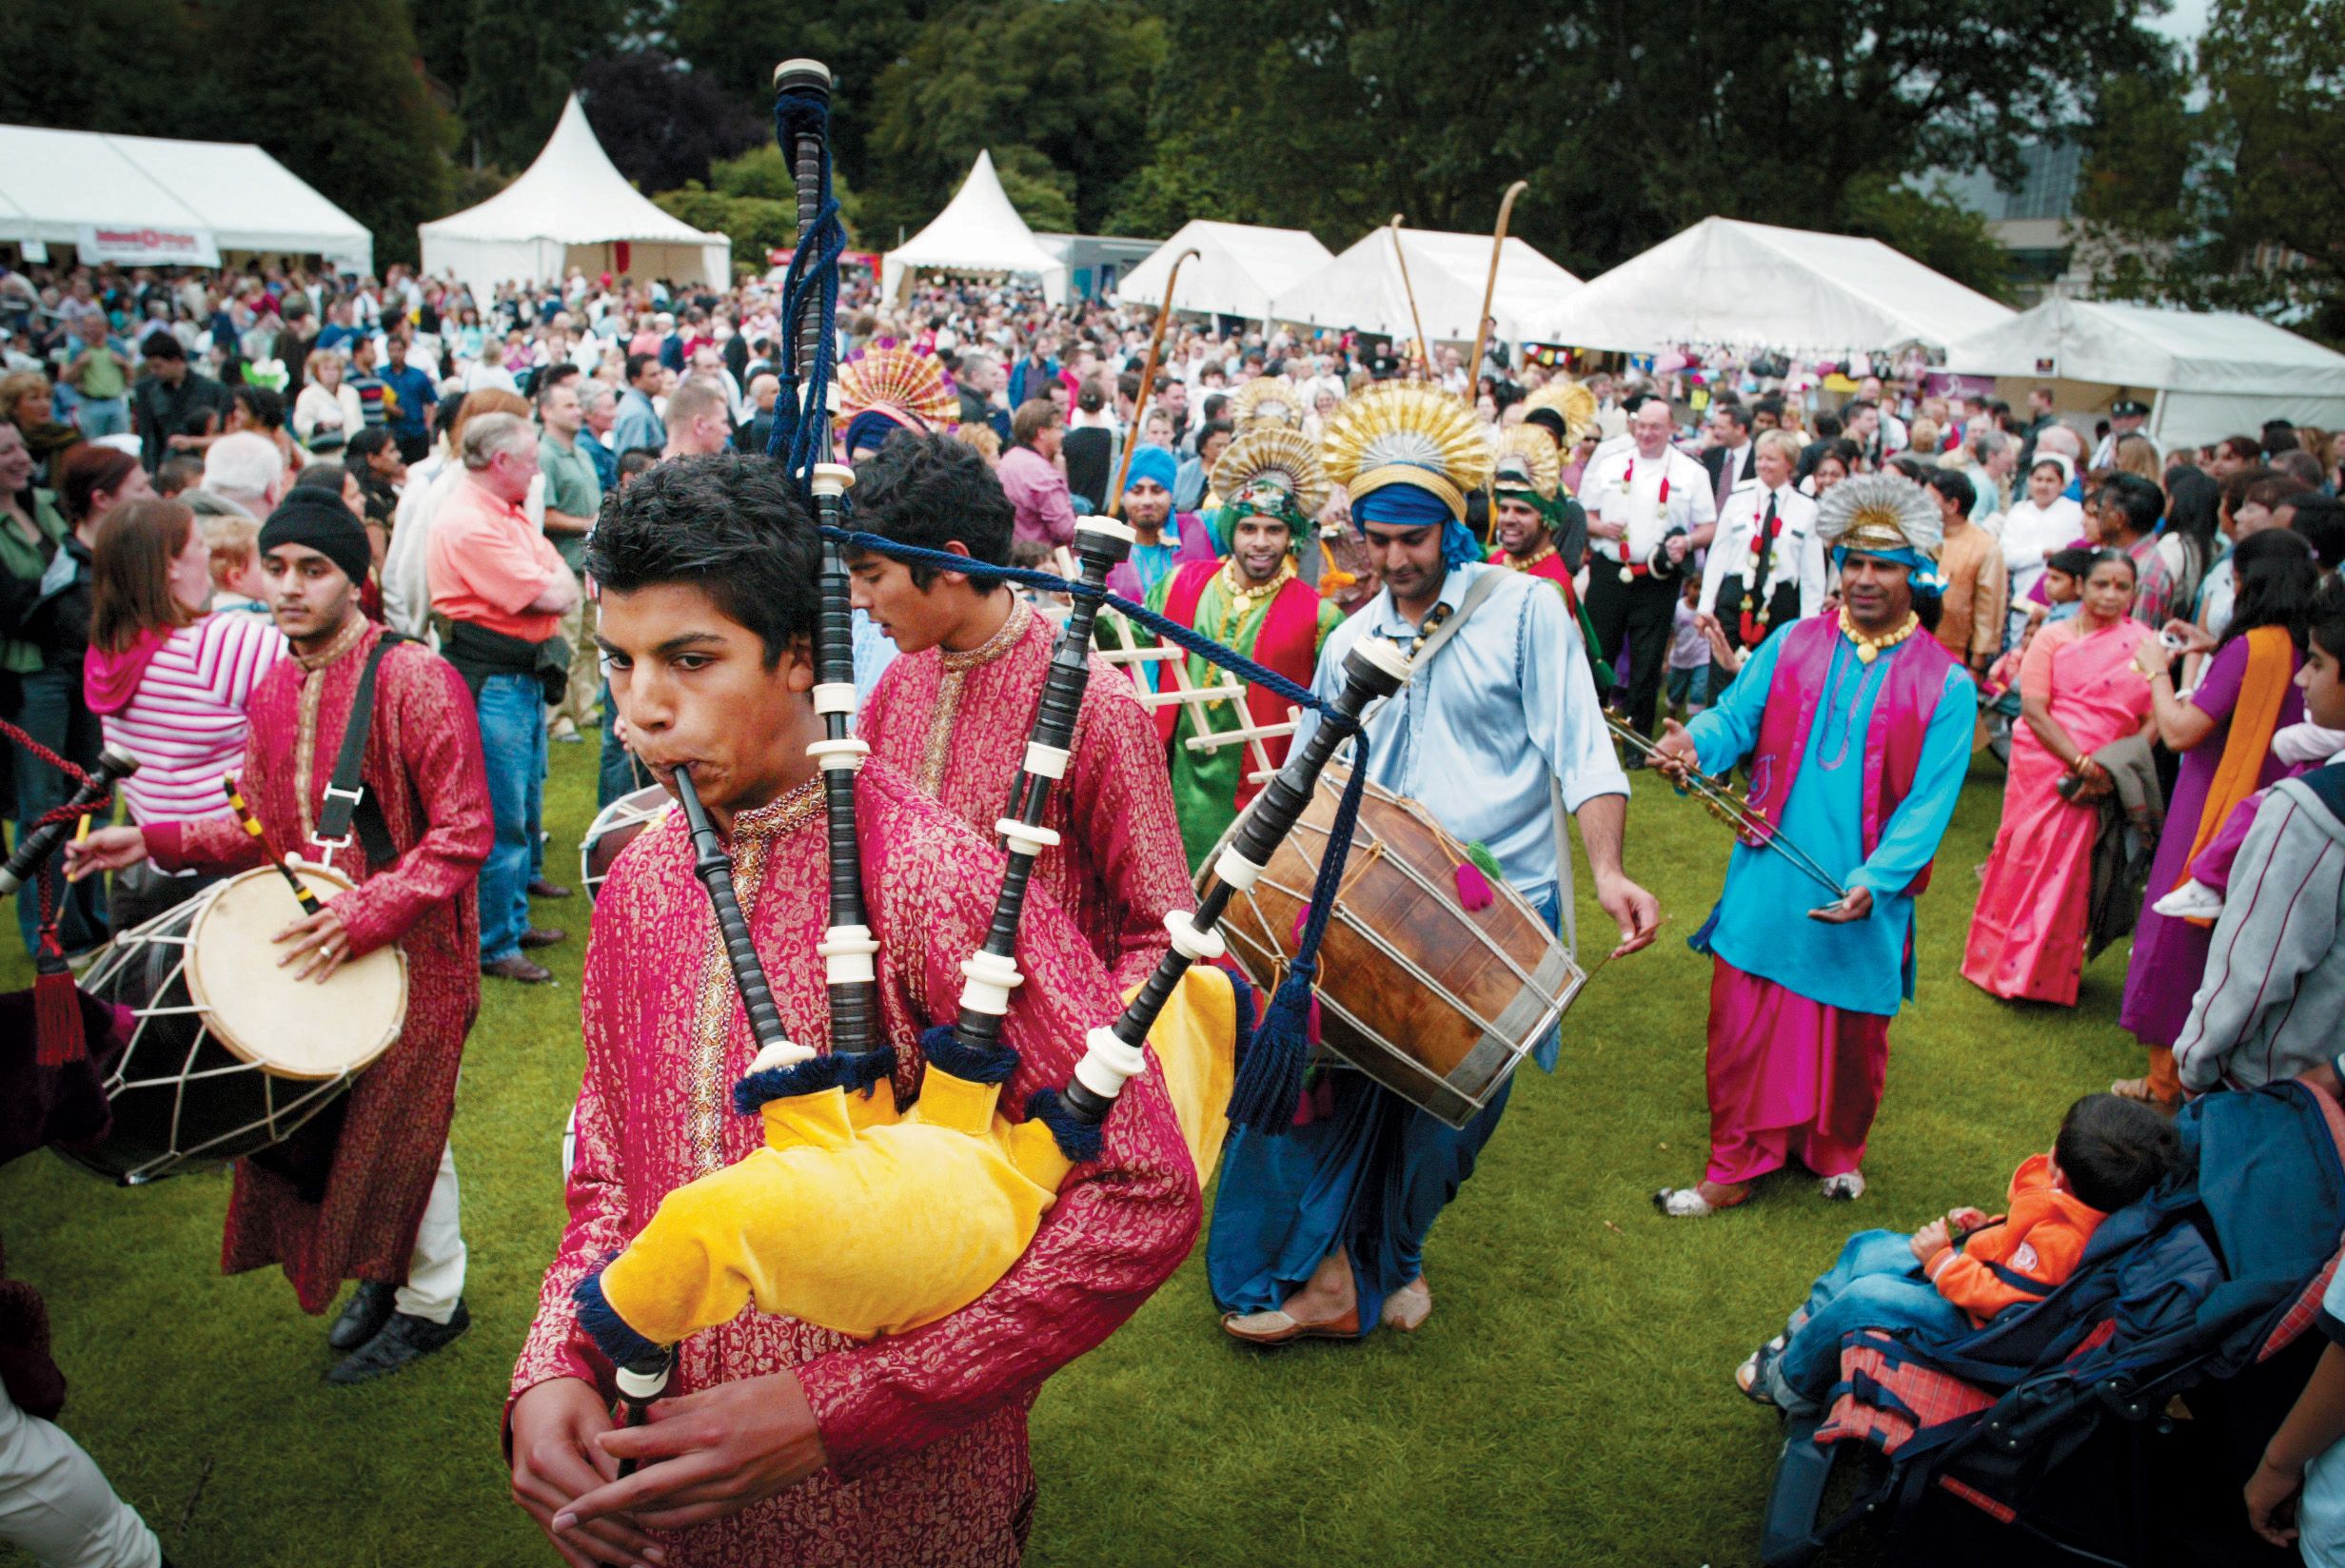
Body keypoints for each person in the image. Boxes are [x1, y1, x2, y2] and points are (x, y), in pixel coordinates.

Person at [508, 453, 1198, 1568]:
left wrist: (844, 1406)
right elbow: (609, 1170)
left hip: (897, 1500)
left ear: (799, 658)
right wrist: (556, 1362)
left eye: (691, 660)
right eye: (622, 661)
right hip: (663, 1468)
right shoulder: (640, 883)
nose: (642, 707)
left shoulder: (932, 875)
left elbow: (1143, 1192)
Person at [1212, 383, 1659, 1341]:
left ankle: (1400, 1258)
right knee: (1337, 1094)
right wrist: (1244, 873)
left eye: (1415, 537)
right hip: (1371, 904)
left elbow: (1582, 751)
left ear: (1451, 525)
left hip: (1496, 910)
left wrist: (1610, 873)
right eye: (1379, 539)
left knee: (1445, 1127)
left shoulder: (1526, 612)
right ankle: (1328, 1274)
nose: (1397, 558)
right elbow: (1307, 775)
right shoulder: (1349, 641)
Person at [66, 488, 493, 1382]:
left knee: (406, 1128)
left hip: (418, 954)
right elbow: (261, 826)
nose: (290, 587)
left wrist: (364, 913)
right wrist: (152, 839)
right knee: (331, 1129)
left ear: (358, 579)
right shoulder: (272, 681)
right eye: (278, 567)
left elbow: (462, 833)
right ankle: (387, 1272)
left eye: (315, 569)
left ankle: (432, 1302)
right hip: (319, 944)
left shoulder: (416, 677)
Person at [1652, 474, 1975, 1215]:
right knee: (1742, 1022)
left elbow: (1930, 804)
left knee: (1854, 1040)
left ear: (1915, 569)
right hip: (1772, 866)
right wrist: (1696, 744)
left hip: (1864, 890)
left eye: (1884, 564)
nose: (1863, 579)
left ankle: (1835, 1151)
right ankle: (1733, 1166)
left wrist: (1879, 881)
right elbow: (1735, 716)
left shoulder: (1945, 684)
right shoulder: (1795, 641)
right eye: (1852, 561)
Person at [848, 433, 1190, 991]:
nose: (858, 600)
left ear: (951, 563)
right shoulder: (896, 685)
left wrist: (1086, 1054)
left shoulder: (1097, 707)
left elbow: (1161, 931)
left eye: (872, 574)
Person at [1739, 1093, 2177, 1414]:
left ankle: (1789, 1384)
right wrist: (1988, 1227)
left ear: (2060, 1175)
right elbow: (2023, 1249)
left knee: (1866, 1297)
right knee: (1869, 1247)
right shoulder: (2087, 1202)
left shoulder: (2064, 1240)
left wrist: (1942, 1262)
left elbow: (2011, 1300)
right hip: (1973, 1274)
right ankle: (1805, 1326)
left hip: (1977, 1327)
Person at [2116, 527, 2320, 1107]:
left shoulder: (2254, 646)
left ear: (2248, 584)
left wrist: (2157, 669)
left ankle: (2165, 1084)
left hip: (2213, 807)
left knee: (2181, 937)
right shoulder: (2300, 642)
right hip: (2269, 804)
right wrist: (2212, 646)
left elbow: (2179, 733)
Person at [2172, 577, 2345, 1100]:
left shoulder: (2309, 811)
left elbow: (2252, 968)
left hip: (2273, 1086)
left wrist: (2197, 1065)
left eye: (2315, 662)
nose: (2302, 680)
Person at [1142, 425, 1345, 869]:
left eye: (1273, 529)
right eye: (1248, 527)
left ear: (1291, 536)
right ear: (1231, 529)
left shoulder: (1319, 617)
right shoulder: (1183, 583)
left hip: (1260, 790)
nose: (1259, 542)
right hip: (1173, 779)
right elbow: (1131, 644)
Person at [81, 496, 288, 928]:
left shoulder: (109, 649)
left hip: (150, 864)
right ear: (169, 565)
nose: (208, 556)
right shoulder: (218, 645)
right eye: (198, 545)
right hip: (229, 867)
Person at [1961, 551, 2155, 1005]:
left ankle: (2042, 976)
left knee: (2069, 871)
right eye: (2101, 584)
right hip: (2045, 764)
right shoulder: (2051, 637)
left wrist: (2114, 766)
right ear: (2082, 586)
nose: (2110, 595)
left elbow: (2154, 717)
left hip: (2106, 769)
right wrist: (2082, 764)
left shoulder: (2145, 645)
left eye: (2121, 587)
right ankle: (1995, 963)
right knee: (2022, 857)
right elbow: (2034, 709)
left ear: (2134, 593)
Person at [424, 411, 577, 984]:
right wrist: (551, 588)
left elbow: (556, 578)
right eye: (532, 462)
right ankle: (493, 943)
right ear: (500, 463)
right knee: (501, 814)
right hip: (494, 680)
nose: (539, 473)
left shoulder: (499, 512)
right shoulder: (471, 522)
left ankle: (510, 920)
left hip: (519, 677)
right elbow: (553, 592)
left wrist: (551, 587)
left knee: (526, 800)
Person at [3, 440, 147, 957]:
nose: (21, 457)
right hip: (33, 677)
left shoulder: (42, 511)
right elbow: (18, 607)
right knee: (44, 808)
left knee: (93, 799)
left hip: (81, 670)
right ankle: (49, 934)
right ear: (103, 497)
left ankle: (90, 923)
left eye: (20, 446)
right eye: (5, 451)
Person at [1585, 398, 1719, 744]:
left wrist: (1687, 542)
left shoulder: (1692, 472)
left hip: (1657, 579)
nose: (1646, 433)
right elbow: (1583, 514)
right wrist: (1600, 528)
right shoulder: (1610, 463)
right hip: (1610, 571)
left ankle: (1637, 739)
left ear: (1671, 429)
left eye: (1655, 427)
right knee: (1599, 652)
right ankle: (1589, 731)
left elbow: (1709, 526)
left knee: (1647, 660)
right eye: (1641, 425)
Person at [1698, 428, 1823, 657]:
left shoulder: (1806, 508)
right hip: (1736, 596)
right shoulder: (1738, 499)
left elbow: (1812, 573)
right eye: (1760, 458)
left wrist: (1809, 624)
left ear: (1789, 464)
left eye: (1771, 459)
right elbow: (1718, 555)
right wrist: (1705, 606)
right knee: (1724, 672)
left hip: (1780, 602)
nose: (1763, 465)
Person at [536, 375, 603, 745]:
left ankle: (583, 705)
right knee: (568, 643)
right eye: (569, 405)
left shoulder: (581, 452)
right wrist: (586, 523)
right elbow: (543, 513)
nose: (579, 411)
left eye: (579, 405)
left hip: (587, 563)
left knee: (592, 641)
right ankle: (557, 715)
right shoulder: (545, 455)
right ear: (546, 411)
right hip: (563, 564)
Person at [1102, 444, 1214, 604]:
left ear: (1171, 492)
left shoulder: (1203, 527)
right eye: (1136, 491)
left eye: (1157, 490)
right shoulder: (1106, 556)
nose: (1147, 501)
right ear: (1122, 496)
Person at [1922, 467, 2007, 680]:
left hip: (1954, 655)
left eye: (1930, 499)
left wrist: (1977, 666)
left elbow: (1988, 611)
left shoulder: (1985, 547)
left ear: (1953, 505)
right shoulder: (1919, 537)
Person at [1999, 453, 2088, 645]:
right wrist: (2043, 553)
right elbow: (2007, 556)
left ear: (2062, 485)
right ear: (2030, 482)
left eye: (2050, 480)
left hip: (2063, 602)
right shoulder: (2018, 512)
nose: (2043, 486)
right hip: (2022, 597)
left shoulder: (2074, 512)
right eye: (2038, 479)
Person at [995, 398, 1076, 552]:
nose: (1063, 435)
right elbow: (1066, 529)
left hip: (1013, 555)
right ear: (1042, 433)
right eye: (1059, 428)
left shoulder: (1007, 461)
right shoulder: (1041, 473)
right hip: (1042, 562)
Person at [58, 311, 133, 439]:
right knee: (95, 446)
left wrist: (124, 364)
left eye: (95, 325)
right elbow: (64, 379)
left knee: (121, 444)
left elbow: (133, 375)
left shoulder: (117, 347)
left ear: (104, 327)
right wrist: (78, 365)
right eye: (87, 325)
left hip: (116, 402)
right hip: (90, 403)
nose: (91, 329)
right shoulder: (76, 349)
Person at [1, 371, 83, 487]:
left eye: (47, 397)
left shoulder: (68, 437)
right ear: (13, 407)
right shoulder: (5, 441)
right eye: (34, 398)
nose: (45, 404)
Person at [292, 348, 363, 454]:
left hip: (351, 452)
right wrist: (321, 426)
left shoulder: (350, 393)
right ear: (317, 371)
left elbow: (358, 422)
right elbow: (300, 424)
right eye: (326, 369)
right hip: (322, 452)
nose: (331, 373)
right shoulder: (307, 395)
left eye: (334, 369)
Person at [613, 353, 666, 456]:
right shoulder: (637, 413)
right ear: (635, 380)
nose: (660, 378)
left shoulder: (638, 404)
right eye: (653, 375)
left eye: (661, 373)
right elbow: (634, 462)